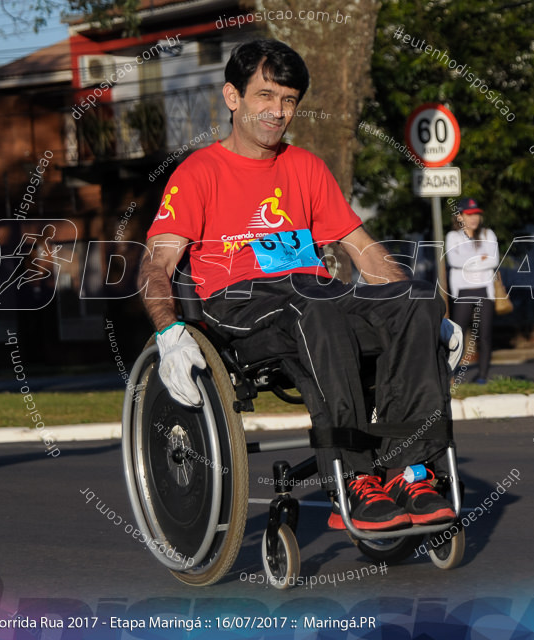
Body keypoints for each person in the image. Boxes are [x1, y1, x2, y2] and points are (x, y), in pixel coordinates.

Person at [138, 39, 462, 531]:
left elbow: (366, 252)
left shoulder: (305, 167)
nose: (277, 111)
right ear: (232, 97)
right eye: (265, 96)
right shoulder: (198, 172)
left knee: (415, 298)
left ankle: (411, 470)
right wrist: (167, 332)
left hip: (314, 293)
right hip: (241, 303)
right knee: (317, 311)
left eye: (288, 100)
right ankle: (354, 478)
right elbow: (155, 264)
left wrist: (431, 319)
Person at [445, 198, 498, 384]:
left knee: (485, 335)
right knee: (456, 335)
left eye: (476, 214)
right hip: (463, 292)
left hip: (485, 291)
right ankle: (450, 373)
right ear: (459, 216)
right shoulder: (453, 237)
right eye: (469, 214)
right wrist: (480, 258)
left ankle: (483, 375)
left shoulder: (488, 234)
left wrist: (469, 261)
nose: (474, 218)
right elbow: (454, 262)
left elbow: (493, 260)